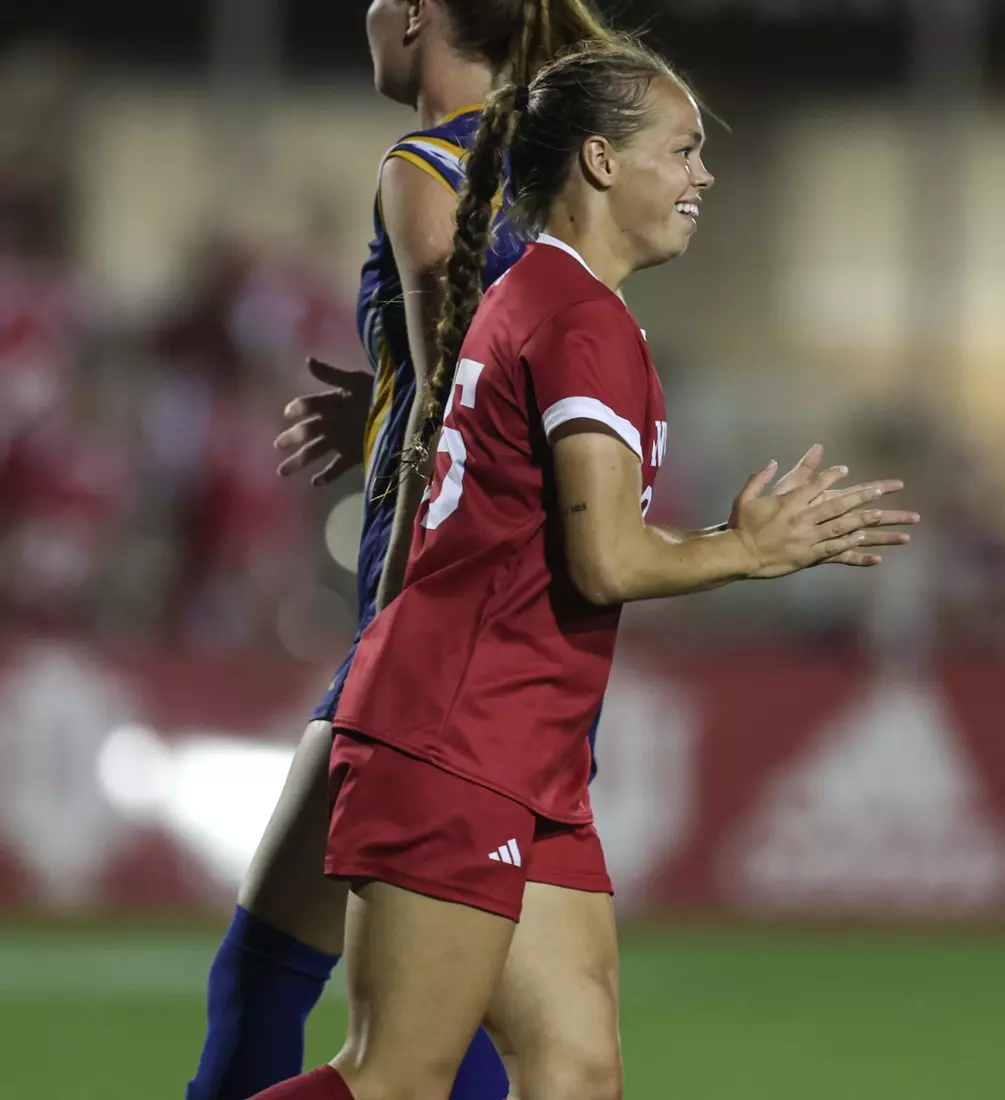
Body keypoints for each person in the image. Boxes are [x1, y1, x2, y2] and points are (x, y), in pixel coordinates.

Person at [247, 37, 918, 1100]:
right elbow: (602, 558)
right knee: (395, 1079)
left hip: (517, 749)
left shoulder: (542, 301)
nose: (703, 175)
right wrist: (748, 549)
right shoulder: (577, 318)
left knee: (576, 1070)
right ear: (602, 162)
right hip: (456, 735)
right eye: (684, 150)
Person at [188, 3, 619, 1099]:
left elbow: (461, 408)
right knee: (491, 1030)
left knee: (288, 989)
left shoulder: (430, 168)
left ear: (418, 13)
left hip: (436, 646)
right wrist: (379, 412)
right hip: (519, 647)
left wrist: (393, 632)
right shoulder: (550, 179)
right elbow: (517, 389)